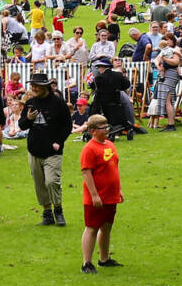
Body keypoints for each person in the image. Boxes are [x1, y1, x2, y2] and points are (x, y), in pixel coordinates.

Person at [18, 72, 71, 227]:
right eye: (32, 85)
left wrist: (59, 142)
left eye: (37, 86)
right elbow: (21, 125)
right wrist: (28, 119)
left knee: (51, 181)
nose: (33, 88)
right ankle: (47, 213)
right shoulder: (30, 103)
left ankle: (58, 210)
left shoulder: (58, 103)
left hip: (53, 151)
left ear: (45, 86)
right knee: (39, 183)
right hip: (34, 149)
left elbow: (67, 125)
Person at [78, 113, 123, 274]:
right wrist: (94, 194)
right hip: (96, 197)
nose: (107, 130)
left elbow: (113, 168)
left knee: (106, 227)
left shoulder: (110, 144)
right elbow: (86, 173)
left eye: (107, 127)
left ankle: (104, 258)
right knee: (92, 228)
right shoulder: (89, 149)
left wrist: (119, 190)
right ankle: (86, 263)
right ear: (92, 131)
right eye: (103, 128)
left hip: (111, 195)